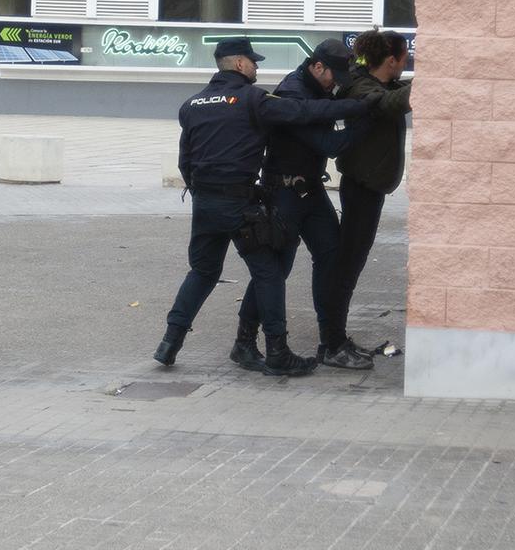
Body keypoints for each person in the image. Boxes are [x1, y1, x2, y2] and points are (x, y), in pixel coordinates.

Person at [154, 37, 369, 376]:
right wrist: (357, 107)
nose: (257, 67)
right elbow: (304, 111)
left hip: (205, 203)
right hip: (239, 203)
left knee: (203, 272)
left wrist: (203, 195)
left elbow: (186, 161)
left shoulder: (192, 104)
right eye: (253, 62)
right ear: (239, 64)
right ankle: (277, 351)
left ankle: (169, 343)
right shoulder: (254, 100)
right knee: (269, 272)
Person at [238, 38, 374, 370]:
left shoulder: (320, 88)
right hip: (283, 192)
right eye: (334, 77)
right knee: (275, 269)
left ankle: (332, 342)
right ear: (317, 67)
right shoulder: (291, 94)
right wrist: (365, 117)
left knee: (331, 258)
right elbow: (330, 143)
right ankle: (243, 343)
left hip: (310, 190)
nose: (336, 85)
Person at [330, 31, 413, 359]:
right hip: (361, 187)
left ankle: (334, 332)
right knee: (347, 263)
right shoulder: (360, 86)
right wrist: (434, 77)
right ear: (391, 60)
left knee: (350, 261)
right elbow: (388, 104)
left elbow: (392, 94)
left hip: (371, 186)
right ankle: (333, 339)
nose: (406, 63)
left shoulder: (377, 83)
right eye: (404, 57)